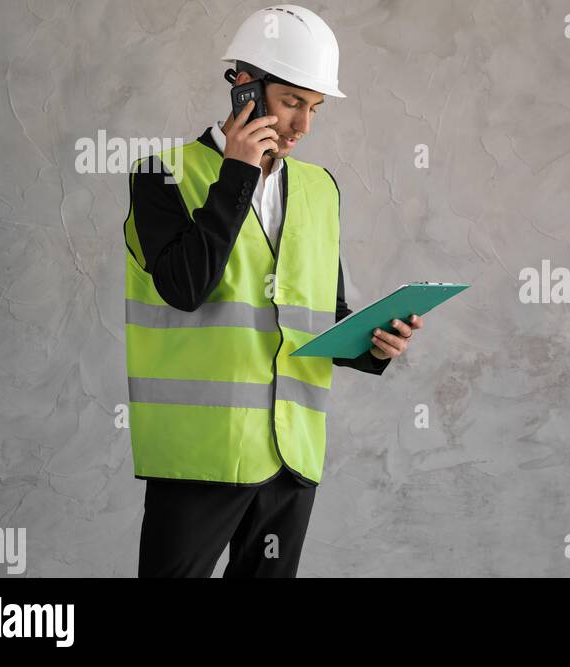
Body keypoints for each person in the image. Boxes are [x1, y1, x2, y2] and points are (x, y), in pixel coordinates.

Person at [121, 4, 423, 577]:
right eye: (291, 103)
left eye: (314, 108)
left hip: (292, 454)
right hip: (201, 452)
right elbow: (184, 287)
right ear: (244, 88)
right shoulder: (161, 173)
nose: (303, 126)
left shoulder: (319, 189)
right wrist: (237, 171)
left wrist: (373, 344)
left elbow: (316, 316)